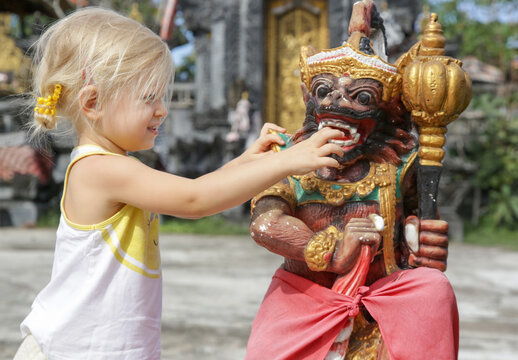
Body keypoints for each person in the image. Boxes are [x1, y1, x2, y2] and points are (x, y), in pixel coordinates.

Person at [14, 7, 345, 360]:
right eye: (148, 98)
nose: (162, 110)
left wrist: (248, 161)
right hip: (74, 350)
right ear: (93, 102)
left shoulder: (112, 166)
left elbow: (198, 189)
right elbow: (195, 199)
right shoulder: (99, 169)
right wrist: (287, 162)